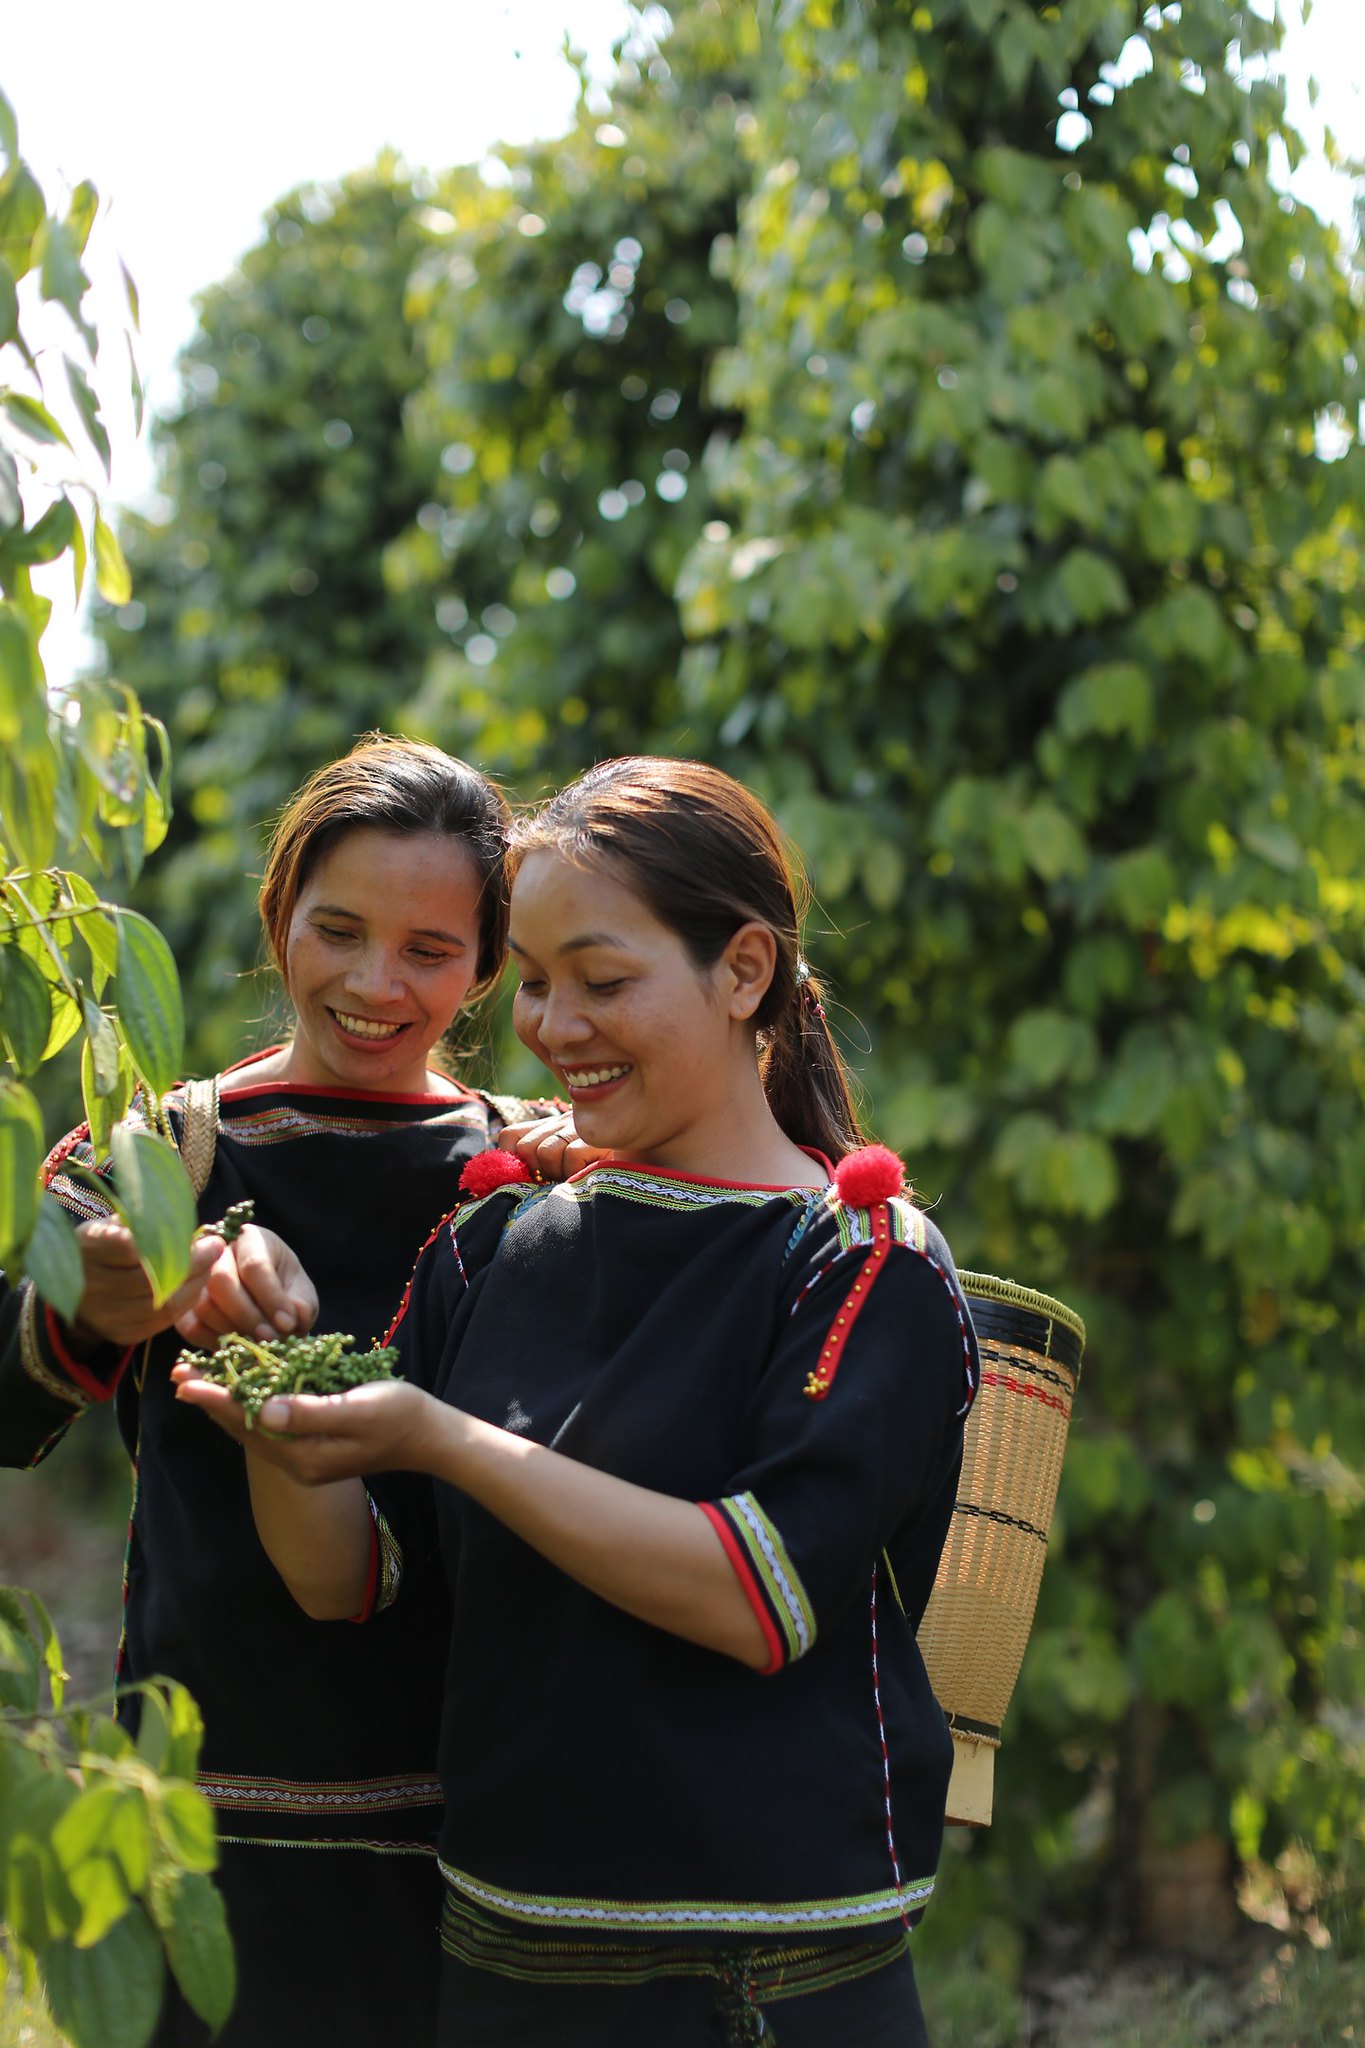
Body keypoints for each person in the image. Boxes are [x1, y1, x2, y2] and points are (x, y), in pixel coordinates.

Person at [176, 756, 980, 2048]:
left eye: (602, 982)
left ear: (744, 971)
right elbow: (347, 1581)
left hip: (759, 1972)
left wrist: (447, 1440)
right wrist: (274, 1421)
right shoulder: (493, 1242)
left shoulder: (855, 1259)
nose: (553, 1028)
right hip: (510, 1945)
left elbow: (758, 1597)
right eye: (535, 982)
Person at [0, 734, 561, 2048]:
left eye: (430, 950)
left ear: (486, 966)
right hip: (212, 1823)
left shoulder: (525, 1176)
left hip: (471, 1834)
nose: (376, 983)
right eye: (339, 929)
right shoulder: (161, 1155)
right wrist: (118, 1287)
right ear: (278, 918)